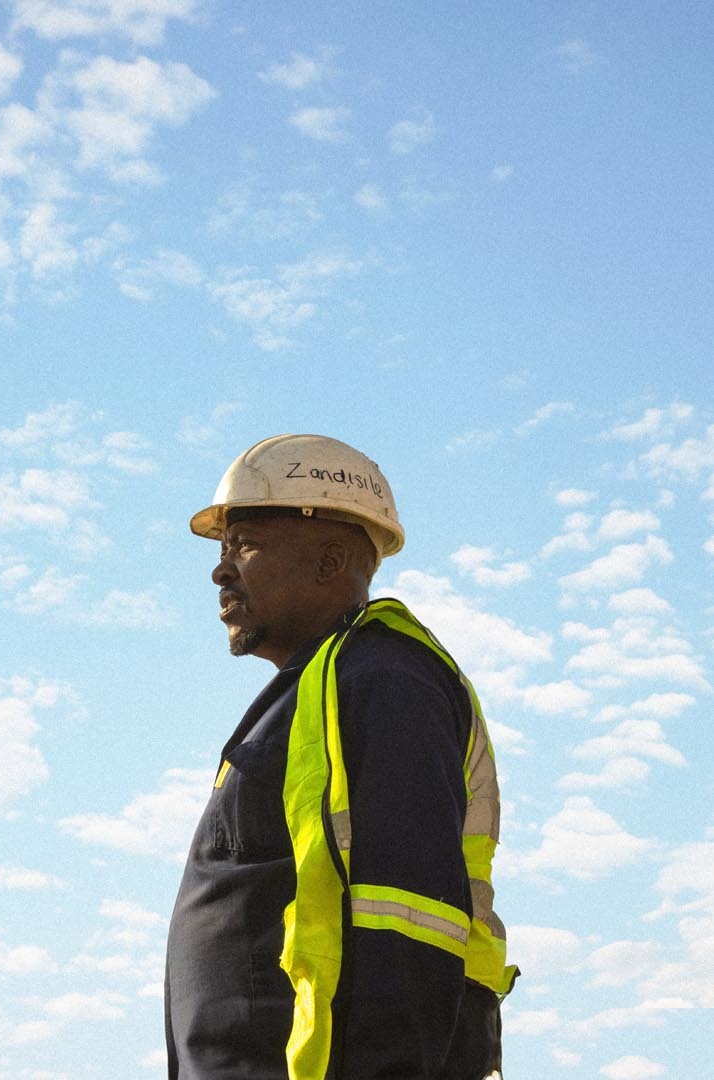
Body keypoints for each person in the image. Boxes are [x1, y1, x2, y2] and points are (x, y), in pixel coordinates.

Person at [165, 434, 517, 1079]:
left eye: (244, 545)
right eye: (221, 550)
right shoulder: (321, 690)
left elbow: (405, 917)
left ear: (330, 560)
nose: (220, 571)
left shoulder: (383, 679)